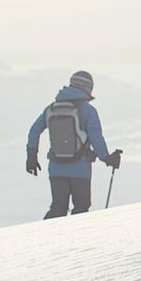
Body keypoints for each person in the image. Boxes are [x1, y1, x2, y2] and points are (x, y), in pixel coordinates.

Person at [26, 70, 121, 219]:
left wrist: (32, 156)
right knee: (81, 209)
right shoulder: (88, 111)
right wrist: (107, 158)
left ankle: (44, 239)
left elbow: (34, 131)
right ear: (88, 88)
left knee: (58, 208)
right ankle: (75, 241)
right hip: (80, 169)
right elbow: (96, 137)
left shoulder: (51, 108)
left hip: (56, 168)